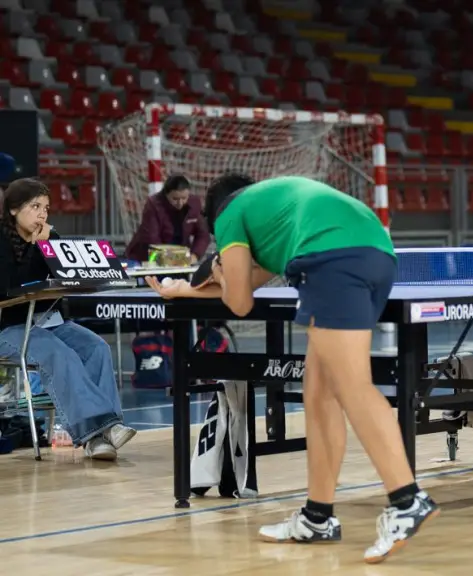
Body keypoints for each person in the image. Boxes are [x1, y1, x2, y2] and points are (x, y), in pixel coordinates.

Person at [143, 174, 438, 563]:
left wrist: (218, 274)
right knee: (319, 394)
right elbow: (248, 282)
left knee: (353, 387)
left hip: (332, 259)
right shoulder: (271, 208)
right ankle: (317, 516)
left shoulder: (230, 214)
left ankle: (406, 500)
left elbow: (240, 303)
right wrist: (184, 289)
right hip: (374, 252)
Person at [0, 178, 137, 460]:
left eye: (46, 208)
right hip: (9, 328)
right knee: (59, 354)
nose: (42, 214)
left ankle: (99, 440)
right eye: (35, 206)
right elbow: (10, 287)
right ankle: (104, 428)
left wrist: (54, 247)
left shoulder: (51, 239)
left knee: (96, 347)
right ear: (13, 210)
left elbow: (64, 280)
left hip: (48, 322)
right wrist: (35, 248)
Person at [125, 174, 210, 264]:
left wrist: (195, 255)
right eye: (175, 199)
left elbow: (203, 234)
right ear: (166, 195)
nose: (180, 203)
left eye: (184, 198)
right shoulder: (153, 204)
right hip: (148, 257)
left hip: (179, 257)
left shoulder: (194, 203)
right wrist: (169, 259)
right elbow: (151, 238)